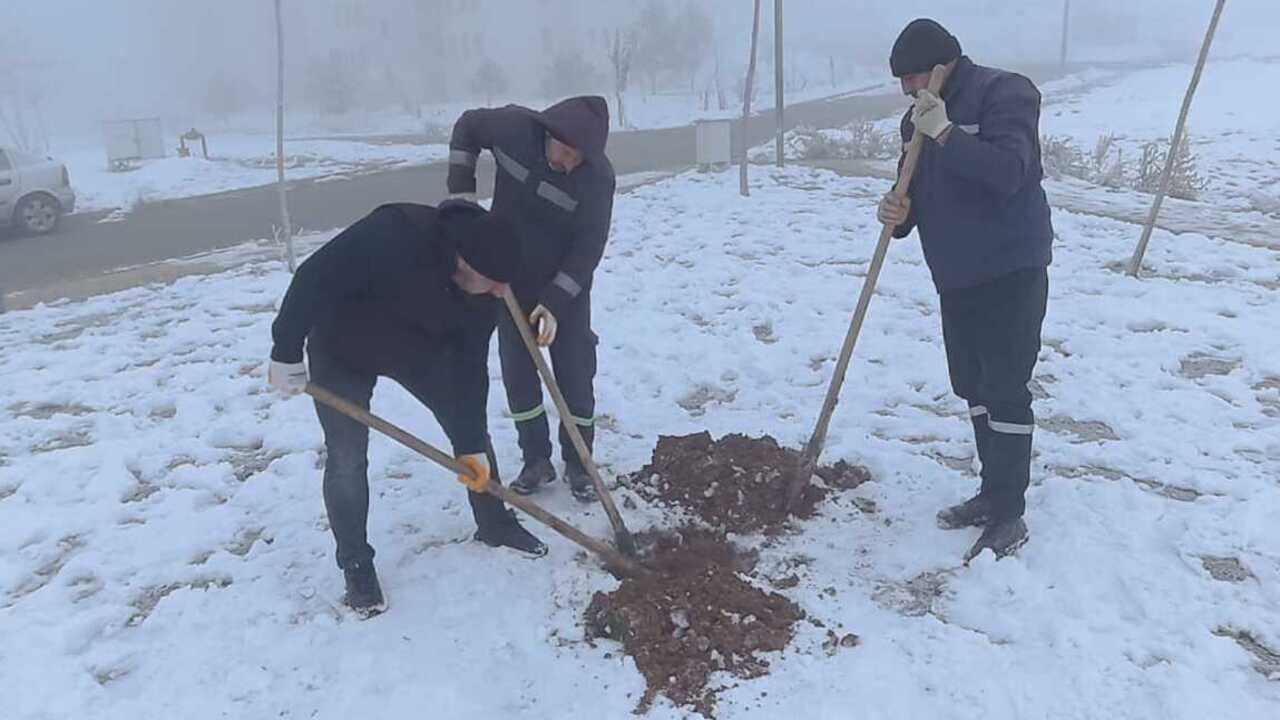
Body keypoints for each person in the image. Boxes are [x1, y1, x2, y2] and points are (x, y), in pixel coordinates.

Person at [267, 200, 547, 619]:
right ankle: (356, 564)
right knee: (346, 457)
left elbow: (470, 370)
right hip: (343, 347)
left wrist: (469, 444)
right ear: (465, 262)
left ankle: (493, 521)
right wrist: (285, 352)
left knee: (470, 432)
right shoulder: (393, 233)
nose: (500, 293)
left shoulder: (488, 292)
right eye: (492, 282)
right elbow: (313, 277)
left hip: (420, 351)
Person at [877, 19, 1053, 561]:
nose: (908, 89)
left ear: (944, 63)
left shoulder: (1007, 93)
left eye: (914, 76)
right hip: (956, 275)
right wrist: (898, 212)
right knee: (972, 387)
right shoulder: (917, 120)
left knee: (1004, 388)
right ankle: (989, 491)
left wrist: (947, 133)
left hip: (1009, 270)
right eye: (902, 81)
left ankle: (1009, 512)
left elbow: (1008, 172)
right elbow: (919, 189)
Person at [446, 96, 616, 503]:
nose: (570, 164)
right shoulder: (512, 130)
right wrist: (462, 196)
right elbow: (467, 126)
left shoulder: (596, 178)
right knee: (519, 374)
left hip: (564, 286)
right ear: (549, 136)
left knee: (575, 372)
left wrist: (555, 303)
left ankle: (579, 462)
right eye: (567, 153)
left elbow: (589, 248)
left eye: (580, 159)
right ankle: (535, 458)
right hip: (508, 279)